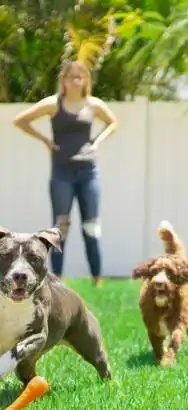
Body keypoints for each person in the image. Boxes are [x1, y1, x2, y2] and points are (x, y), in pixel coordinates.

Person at [12, 60, 118, 288]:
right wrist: (45, 141)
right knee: (60, 228)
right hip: (62, 174)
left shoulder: (93, 105)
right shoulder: (54, 104)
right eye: (72, 76)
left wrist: (97, 142)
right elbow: (20, 120)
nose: (76, 80)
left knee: (91, 227)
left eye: (81, 76)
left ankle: (97, 279)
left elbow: (112, 123)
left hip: (88, 173)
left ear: (86, 80)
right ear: (64, 80)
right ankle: (57, 279)